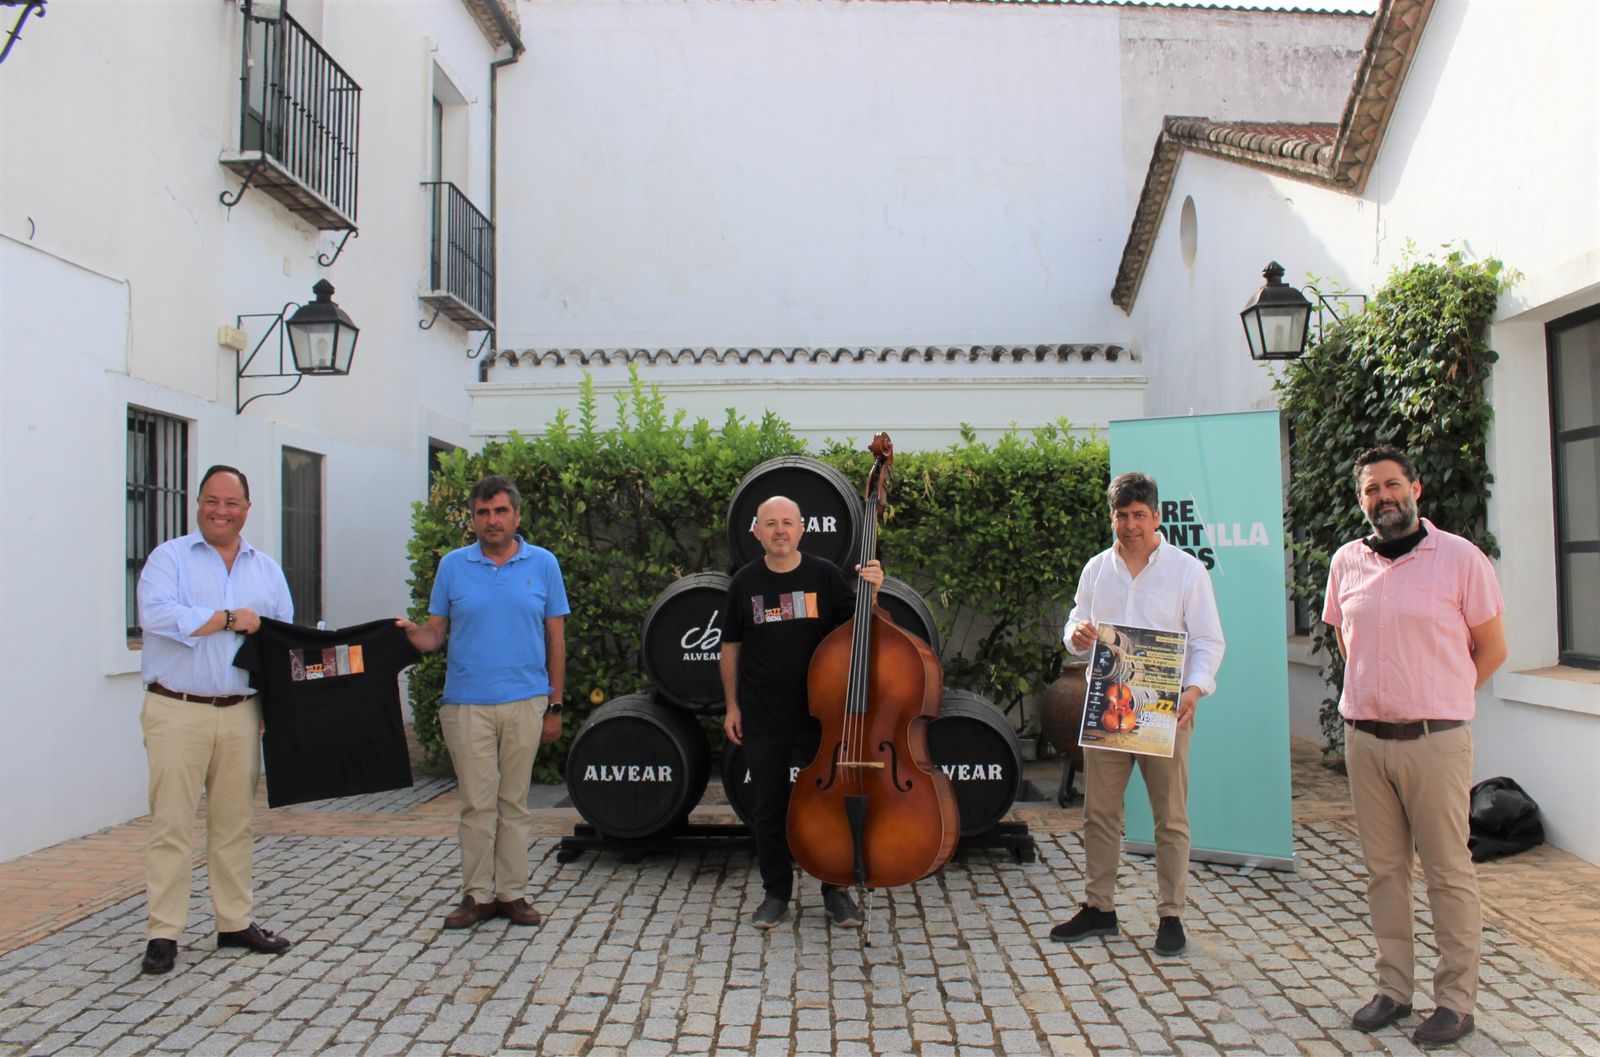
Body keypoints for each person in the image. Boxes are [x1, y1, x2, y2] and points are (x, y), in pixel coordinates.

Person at [1323, 445, 1506, 1049]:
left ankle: (1455, 1002)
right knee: (1384, 872)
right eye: (1371, 489)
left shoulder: (1460, 559)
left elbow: (1493, 649)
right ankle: (1393, 990)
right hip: (1365, 742)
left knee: (1448, 872)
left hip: (1435, 741)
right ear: (1361, 501)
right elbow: (1348, 644)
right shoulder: (1346, 562)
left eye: (1392, 485)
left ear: (1416, 489)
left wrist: (1442, 695)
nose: (1384, 497)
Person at [1050, 471, 1224, 956]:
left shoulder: (1187, 571)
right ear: (1112, 518)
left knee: (1170, 817)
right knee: (1099, 813)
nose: (1130, 525)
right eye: (1122, 515)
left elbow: (1208, 640)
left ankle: (1171, 915)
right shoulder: (1096, 569)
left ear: (1157, 517)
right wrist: (1075, 634)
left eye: (1139, 515)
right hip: (1108, 703)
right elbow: (1076, 622)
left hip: (1165, 708)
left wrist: (1195, 689)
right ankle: (1099, 908)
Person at [134, 464, 295, 975]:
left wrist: (273, 708)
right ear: (198, 502)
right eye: (211, 500)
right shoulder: (169, 558)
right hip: (176, 709)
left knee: (234, 824)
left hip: (241, 713)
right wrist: (227, 619)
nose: (220, 511)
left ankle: (234, 922)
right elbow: (156, 616)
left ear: (247, 509)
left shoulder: (266, 570)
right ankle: (164, 933)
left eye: (231, 503)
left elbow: (280, 641)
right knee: (171, 825)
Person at [399, 475, 568, 930]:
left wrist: (555, 705)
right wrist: (413, 634)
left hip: (526, 702)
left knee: (514, 802)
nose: (492, 520)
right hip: (466, 704)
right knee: (477, 804)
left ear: (516, 515)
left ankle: (512, 893)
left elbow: (556, 640)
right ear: (473, 518)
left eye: (500, 511)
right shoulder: (453, 566)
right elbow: (435, 634)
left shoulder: (544, 564)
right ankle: (478, 894)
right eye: (483, 512)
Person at [720, 496, 882, 930]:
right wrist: (732, 705)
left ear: (801, 529)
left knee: (829, 805)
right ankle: (775, 894)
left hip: (821, 717)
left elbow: (858, 630)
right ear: (757, 532)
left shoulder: (824, 576)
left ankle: (836, 892)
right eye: (771, 523)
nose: (780, 530)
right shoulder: (744, 583)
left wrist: (872, 591)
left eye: (787, 522)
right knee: (769, 810)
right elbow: (731, 646)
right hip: (762, 715)